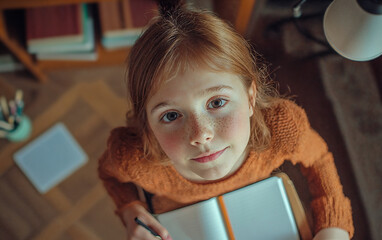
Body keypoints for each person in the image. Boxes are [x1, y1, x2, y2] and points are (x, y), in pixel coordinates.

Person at [98, 1, 354, 239]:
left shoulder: (282, 128)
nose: (201, 135)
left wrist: (333, 227)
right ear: (148, 124)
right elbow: (108, 174)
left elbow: (318, 158)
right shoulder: (133, 158)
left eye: (217, 103)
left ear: (251, 97)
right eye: (171, 115)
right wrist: (129, 208)